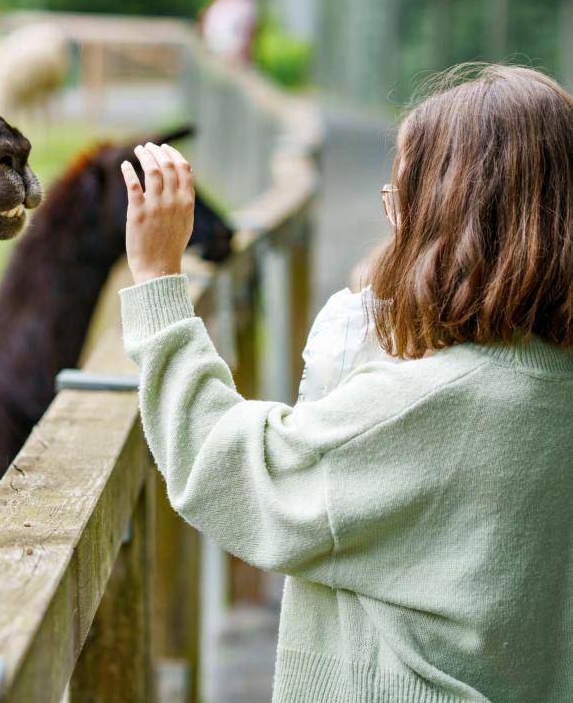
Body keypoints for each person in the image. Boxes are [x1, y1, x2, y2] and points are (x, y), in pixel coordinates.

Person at [118, 64, 573, 702]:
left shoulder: (428, 404)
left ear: (447, 220)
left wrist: (158, 283)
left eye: (403, 202)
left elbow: (235, 469)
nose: (394, 227)